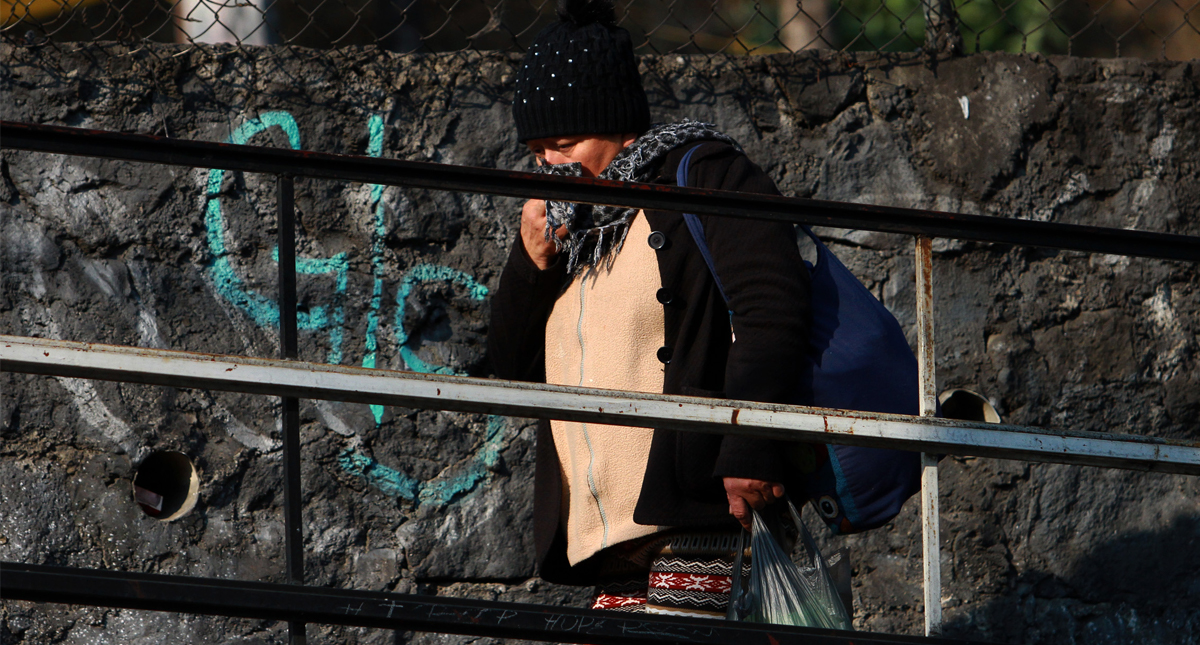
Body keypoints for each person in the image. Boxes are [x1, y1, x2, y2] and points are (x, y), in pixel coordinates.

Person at [488, 0, 813, 617]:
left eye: (565, 143)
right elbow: (510, 369)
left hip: (696, 518)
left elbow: (772, 310)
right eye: (537, 151)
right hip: (608, 540)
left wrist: (748, 450)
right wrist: (531, 266)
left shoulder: (703, 177)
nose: (551, 165)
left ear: (620, 126)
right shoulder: (573, 229)